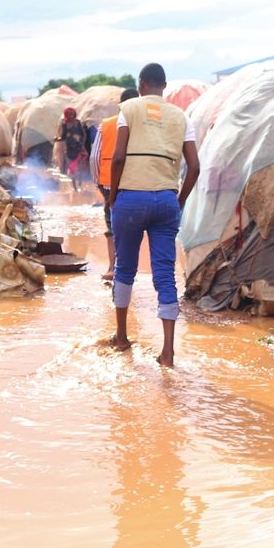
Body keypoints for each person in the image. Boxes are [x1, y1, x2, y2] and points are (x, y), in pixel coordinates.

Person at [108, 63, 200, 367]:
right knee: (164, 273)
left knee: (125, 268)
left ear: (141, 83)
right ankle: (168, 353)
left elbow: (119, 157)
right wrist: (179, 200)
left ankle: (121, 338)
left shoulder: (129, 108)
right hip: (166, 200)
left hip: (130, 199)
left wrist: (112, 197)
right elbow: (194, 167)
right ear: (163, 85)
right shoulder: (181, 116)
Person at [90, 87, 140, 280]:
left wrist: (99, 183)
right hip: (136, 184)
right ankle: (129, 269)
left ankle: (113, 268)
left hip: (110, 184)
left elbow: (95, 157)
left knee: (112, 226)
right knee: (133, 227)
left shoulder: (107, 124)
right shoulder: (143, 126)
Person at [55, 107, 88, 192]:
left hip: (78, 148)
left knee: (80, 168)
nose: (71, 116)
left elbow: (83, 135)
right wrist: (57, 139)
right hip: (69, 149)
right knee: (72, 168)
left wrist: (81, 143)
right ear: (66, 115)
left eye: (72, 114)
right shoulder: (64, 124)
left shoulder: (78, 122)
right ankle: (75, 187)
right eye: (69, 114)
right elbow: (63, 136)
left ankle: (80, 184)